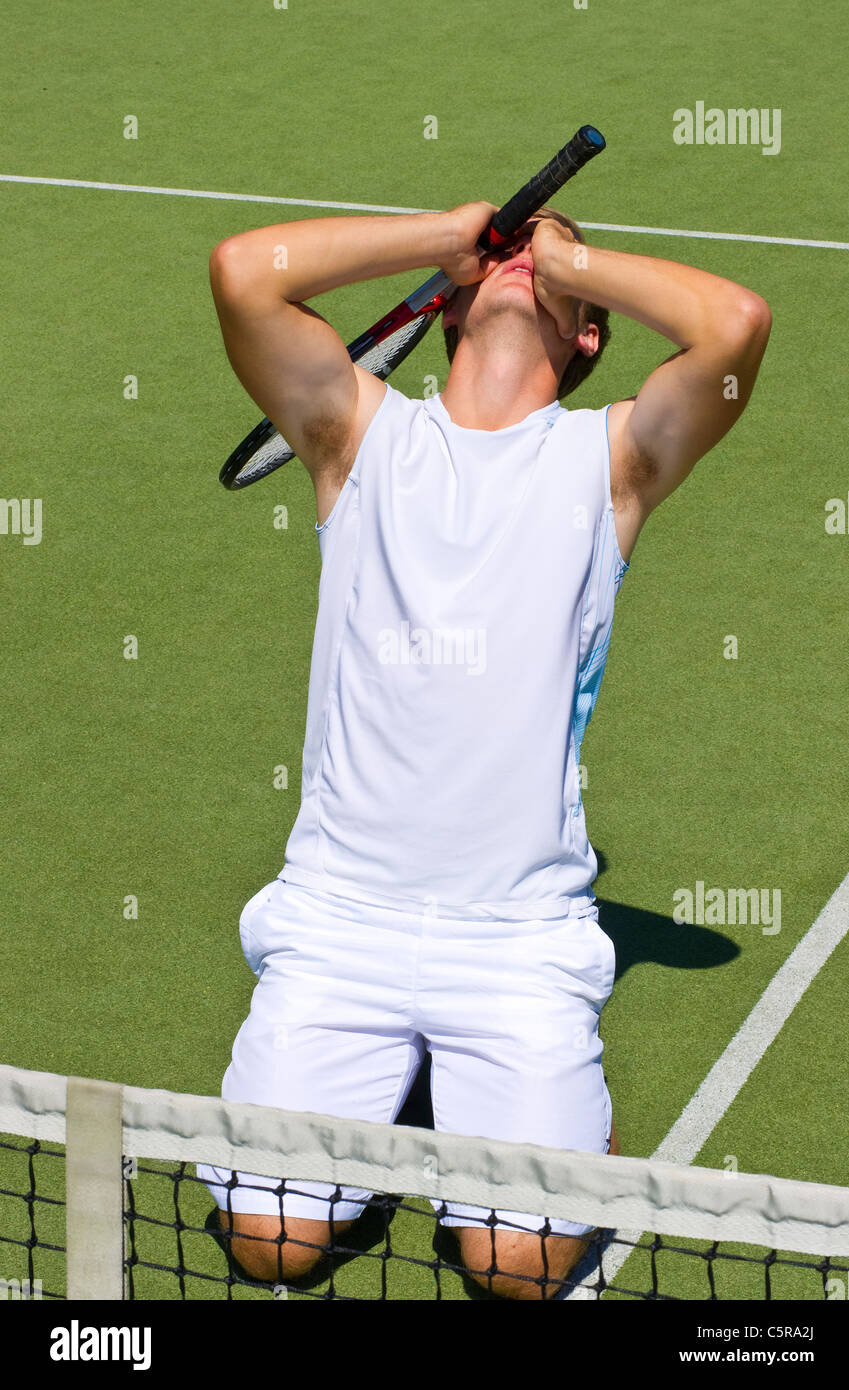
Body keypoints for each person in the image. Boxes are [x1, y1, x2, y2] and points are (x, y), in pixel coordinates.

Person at [200, 198, 771, 1300]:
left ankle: (539, 1142)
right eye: (504, 247)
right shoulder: (356, 432)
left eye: (545, 256)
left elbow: (736, 326)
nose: (521, 256)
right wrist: (439, 233)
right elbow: (241, 273)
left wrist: (566, 255)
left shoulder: (613, 461)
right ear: (454, 297)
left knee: (519, 1271)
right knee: (270, 1241)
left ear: (588, 330)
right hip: (338, 919)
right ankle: (394, 1102)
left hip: (514, 941)